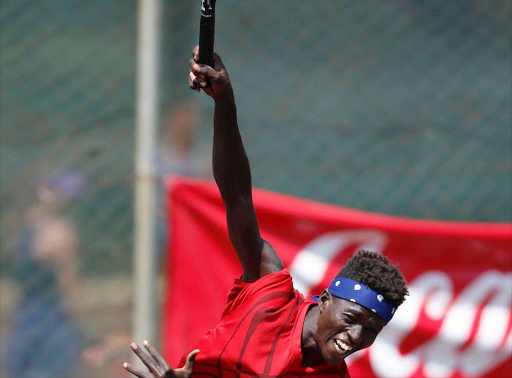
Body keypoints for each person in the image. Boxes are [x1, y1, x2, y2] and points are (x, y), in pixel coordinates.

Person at [123, 46, 409, 378]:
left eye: (371, 330)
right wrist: (224, 101)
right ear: (326, 298)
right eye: (351, 319)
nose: (357, 337)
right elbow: (237, 197)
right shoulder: (270, 294)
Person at [4, 171, 85, 378]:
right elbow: (69, 283)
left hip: (26, 314)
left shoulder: (20, 230)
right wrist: (79, 319)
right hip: (51, 318)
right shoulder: (60, 232)